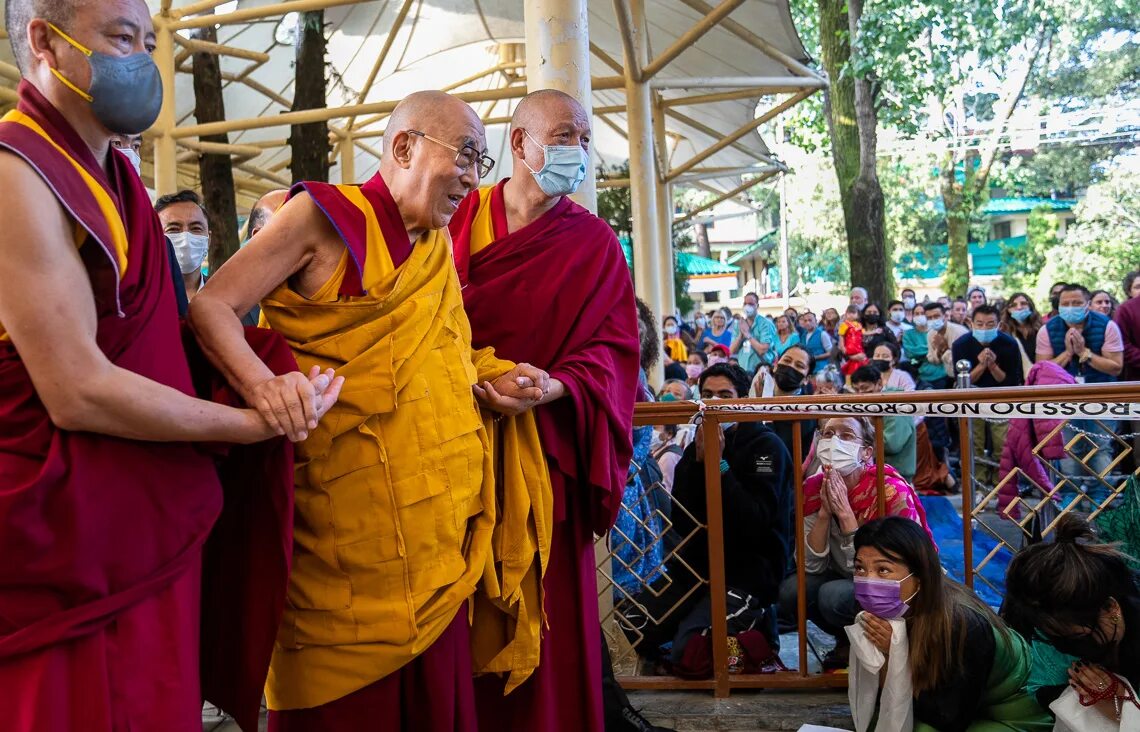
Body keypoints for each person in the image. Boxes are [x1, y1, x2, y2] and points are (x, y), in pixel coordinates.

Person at [0, 0, 342, 727]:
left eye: (148, 42)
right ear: (45, 42)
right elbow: (76, 391)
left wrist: (268, 378)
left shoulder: (118, 178)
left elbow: (163, 343)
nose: (143, 63)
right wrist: (250, 423)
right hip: (61, 546)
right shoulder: (15, 172)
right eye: (121, 38)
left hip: (142, 528)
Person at [190, 90, 547, 730]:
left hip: (440, 544)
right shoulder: (319, 217)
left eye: (481, 161)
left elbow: (451, 351)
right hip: (342, 549)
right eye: (465, 154)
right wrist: (264, 385)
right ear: (404, 146)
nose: (472, 176)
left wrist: (499, 377)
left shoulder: (435, 247)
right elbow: (212, 305)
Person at [447, 88, 640, 732]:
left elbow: (614, 352)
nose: (576, 151)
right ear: (520, 141)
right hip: (450, 449)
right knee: (452, 616)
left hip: (541, 455)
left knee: (549, 614)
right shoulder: (453, 218)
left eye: (584, 140)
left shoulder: (594, 245)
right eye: (562, 135)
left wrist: (553, 387)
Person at [623, 363, 793, 666]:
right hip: (697, 570)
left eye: (724, 395)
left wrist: (719, 465)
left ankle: (760, 631)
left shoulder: (767, 447)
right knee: (628, 625)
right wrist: (699, 463)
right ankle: (696, 623)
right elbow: (683, 517)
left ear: (742, 400)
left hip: (746, 575)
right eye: (707, 395)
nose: (714, 404)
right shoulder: (698, 444)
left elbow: (754, 520)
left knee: (691, 653)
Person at [852, 517, 1052, 732]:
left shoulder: (963, 623)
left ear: (919, 575)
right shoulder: (888, 609)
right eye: (860, 569)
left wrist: (895, 653)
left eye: (883, 570)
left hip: (1011, 712)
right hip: (957, 707)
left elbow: (948, 718)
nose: (868, 581)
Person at [778, 416, 930, 670]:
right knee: (793, 590)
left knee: (832, 595)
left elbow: (892, 571)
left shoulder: (888, 490)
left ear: (866, 451)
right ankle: (847, 641)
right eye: (827, 435)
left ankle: (887, 645)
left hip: (893, 586)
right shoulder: (814, 489)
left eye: (846, 436)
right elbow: (810, 566)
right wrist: (826, 515)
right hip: (844, 576)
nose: (834, 442)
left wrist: (846, 515)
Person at [1003, 514, 1140, 721]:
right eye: (1058, 639)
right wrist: (1078, 698)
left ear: (1111, 608)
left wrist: (1123, 706)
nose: (1070, 648)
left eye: (1079, 637)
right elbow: (1041, 691)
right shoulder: (1044, 633)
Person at [1036, 284, 1124, 492]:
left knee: (1100, 446)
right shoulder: (1047, 329)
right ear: (1058, 305)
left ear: (1087, 305)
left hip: (1100, 394)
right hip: (1063, 397)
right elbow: (1042, 371)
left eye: (1076, 303)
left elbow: (1116, 367)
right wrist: (1068, 353)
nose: (1070, 307)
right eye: (1065, 303)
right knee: (1069, 448)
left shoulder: (1107, 326)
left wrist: (1085, 352)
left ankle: (1101, 494)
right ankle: (1070, 494)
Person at [953, 304, 1024, 486]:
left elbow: (1011, 381)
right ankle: (978, 483)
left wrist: (992, 366)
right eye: (980, 324)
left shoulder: (1009, 344)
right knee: (973, 442)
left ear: (999, 325)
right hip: (971, 397)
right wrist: (981, 366)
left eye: (990, 324)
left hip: (1001, 397)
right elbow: (963, 380)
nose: (985, 328)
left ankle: (1003, 482)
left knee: (1002, 443)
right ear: (971, 323)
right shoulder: (961, 345)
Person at [850, 366, 916, 483]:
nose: (860, 394)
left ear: (879, 384)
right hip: (877, 472)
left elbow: (892, 444)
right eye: (856, 390)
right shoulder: (872, 406)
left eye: (865, 388)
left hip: (896, 477)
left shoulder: (894, 406)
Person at [155, 189, 210, 297]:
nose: (186, 239)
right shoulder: (139, 301)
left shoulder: (231, 299)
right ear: (155, 238)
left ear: (209, 239)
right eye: (173, 229)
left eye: (196, 228)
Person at [924, 301, 969, 387]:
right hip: (948, 375)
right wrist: (938, 351)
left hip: (965, 376)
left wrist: (943, 348)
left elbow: (961, 363)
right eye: (929, 318)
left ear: (945, 316)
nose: (933, 320)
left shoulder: (960, 332)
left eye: (936, 316)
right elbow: (932, 359)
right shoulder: (931, 334)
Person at [732, 291, 778, 375]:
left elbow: (762, 350)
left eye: (751, 304)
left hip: (762, 370)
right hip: (742, 370)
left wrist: (747, 334)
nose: (747, 306)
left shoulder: (765, 324)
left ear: (757, 306)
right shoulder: (739, 324)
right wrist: (740, 336)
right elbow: (732, 351)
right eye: (745, 303)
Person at [1001, 292, 1043, 368]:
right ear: (1008, 310)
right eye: (1014, 305)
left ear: (1030, 306)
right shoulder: (1003, 332)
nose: (1019, 307)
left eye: (1023, 303)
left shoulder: (1041, 329)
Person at [839, 304, 867, 377]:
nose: (851, 315)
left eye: (853, 313)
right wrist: (842, 346)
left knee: (861, 363)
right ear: (846, 314)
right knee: (850, 368)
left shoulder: (859, 325)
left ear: (858, 315)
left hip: (859, 348)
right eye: (849, 313)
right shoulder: (844, 324)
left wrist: (875, 331)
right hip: (849, 348)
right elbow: (841, 336)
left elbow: (864, 333)